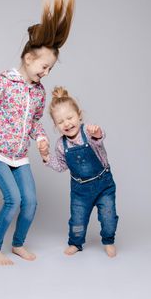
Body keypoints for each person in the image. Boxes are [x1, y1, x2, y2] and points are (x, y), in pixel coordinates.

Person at [0, 0, 76, 265]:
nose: (46, 72)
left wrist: (40, 138)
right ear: (28, 58)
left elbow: (35, 121)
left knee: (31, 202)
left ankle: (18, 244)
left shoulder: (39, 92)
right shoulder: (5, 81)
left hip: (18, 154)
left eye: (51, 69)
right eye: (43, 66)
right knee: (13, 200)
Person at [40, 87, 119, 257]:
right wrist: (46, 157)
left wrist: (97, 133)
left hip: (103, 184)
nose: (67, 124)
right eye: (60, 122)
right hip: (80, 190)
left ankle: (108, 240)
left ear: (79, 115)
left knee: (108, 216)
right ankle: (76, 243)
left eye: (70, 118)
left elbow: (100, 138)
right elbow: (61, 166)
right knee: (77, 219)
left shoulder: (88, 133)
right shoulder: (61, 145)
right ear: (56, 125)